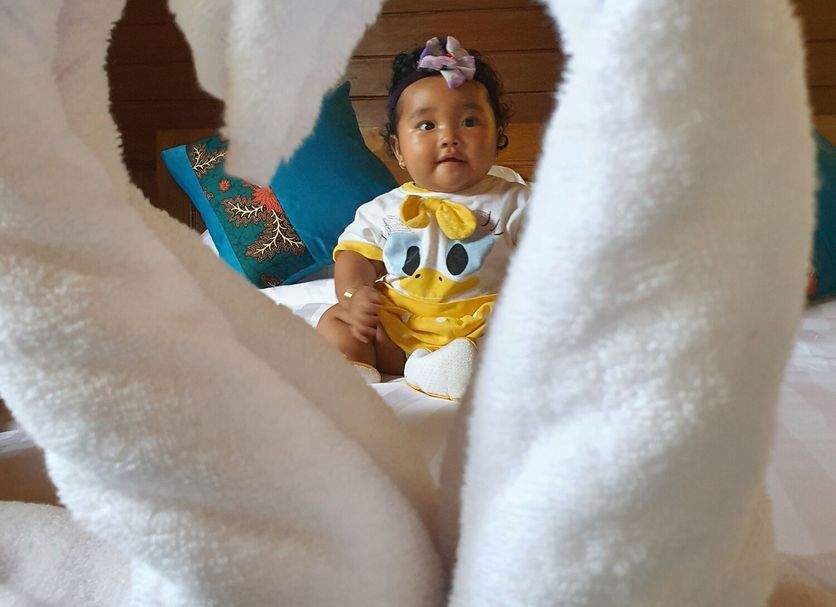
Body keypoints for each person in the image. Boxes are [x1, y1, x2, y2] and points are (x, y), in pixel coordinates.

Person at [316, 35, 529, 399]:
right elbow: (354, 256)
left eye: (469, 121)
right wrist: (354, 295)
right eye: (427, 126)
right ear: (398, 149)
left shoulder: (517, 201)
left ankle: (451, 368)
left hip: (480, 326)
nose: (449, 137)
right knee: (335, 320)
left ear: (497, 137)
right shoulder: (383, 209)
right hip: (400, 328)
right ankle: (353, 371)